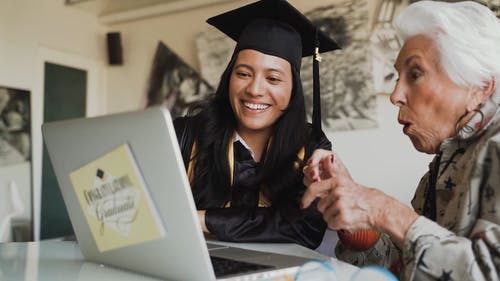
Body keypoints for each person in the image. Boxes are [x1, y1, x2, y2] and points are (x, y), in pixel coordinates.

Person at [301, 1, 500, 280]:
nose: (395, 95)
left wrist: (383, 209)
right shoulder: (441, 166)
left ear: (479, 88)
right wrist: (359, 224)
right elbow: (410, 265)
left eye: (415, 74)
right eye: (397, 77)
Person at [173, 0, 340, 249]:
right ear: (229, 77)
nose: (254, 89)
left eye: (273, 78)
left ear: (293, 89)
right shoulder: (186, 135)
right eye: (243, 74)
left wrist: (202, 219)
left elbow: (306, 228)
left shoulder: (310, 145)